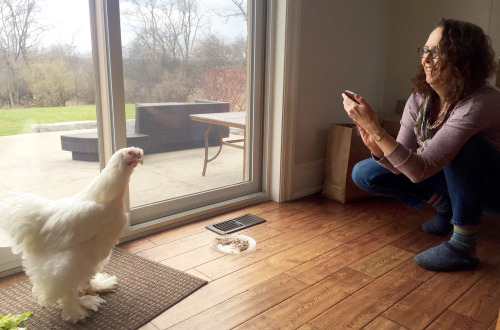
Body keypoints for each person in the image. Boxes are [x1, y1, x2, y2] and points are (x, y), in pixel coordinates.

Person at [342, 18, 500, 271]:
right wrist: (375, 144)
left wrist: (377, 128)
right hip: (447, 177)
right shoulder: (420, 98)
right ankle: (444, 205)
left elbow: (419, 169)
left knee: (468, 146)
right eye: (425, 50)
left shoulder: (481, 101)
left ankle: (463, 245)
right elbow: (401, 166)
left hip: (491, 188)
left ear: (464, 59)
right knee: (365, 173)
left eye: (437, 52)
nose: (426, 59)